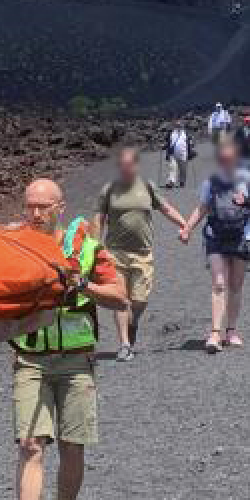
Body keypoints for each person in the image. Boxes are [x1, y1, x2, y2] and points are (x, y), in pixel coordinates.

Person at [8, 179, 127, 500]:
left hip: (77, 362)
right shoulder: (13, 248)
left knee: (72, 445)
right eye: (29, 206)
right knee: (30, 443)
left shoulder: (88, 248)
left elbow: (119, 294)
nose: (35, 213)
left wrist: (83, 284)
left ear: (60, 207)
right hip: (31, 360)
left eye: (43, 206)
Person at [95, 145, 189, 361]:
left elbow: (165, 208)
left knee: (140, 300)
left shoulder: (147, 186)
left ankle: (133, 322)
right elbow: (99, 218)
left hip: (142, 253)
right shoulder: (109, 189)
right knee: (120, 299)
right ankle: (124, 344)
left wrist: (184, 224)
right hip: (114, 252)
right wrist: (94, 245)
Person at [180, 138, 250, 351]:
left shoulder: (248, 179)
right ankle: (215, 333)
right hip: (216, 234)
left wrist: (247, 202)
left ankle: (231, 331)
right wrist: (187, 228)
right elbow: (203, 207)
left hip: (243, 235)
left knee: (235, 286)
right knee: (218, 283)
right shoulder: (212, 181)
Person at [163, 122, 193, 189]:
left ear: (182, 126)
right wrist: (164, 147)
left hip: (183, 154)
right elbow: (168, 142)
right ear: (175, 126)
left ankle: (182, 181)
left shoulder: (186, 133)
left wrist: (190, 150)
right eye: (177, 125)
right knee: (172, 167)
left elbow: (190, 143)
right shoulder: (171, 133)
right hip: (173, 154)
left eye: (179, 125)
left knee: (183, 169)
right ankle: (171, 181)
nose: (178, 126)